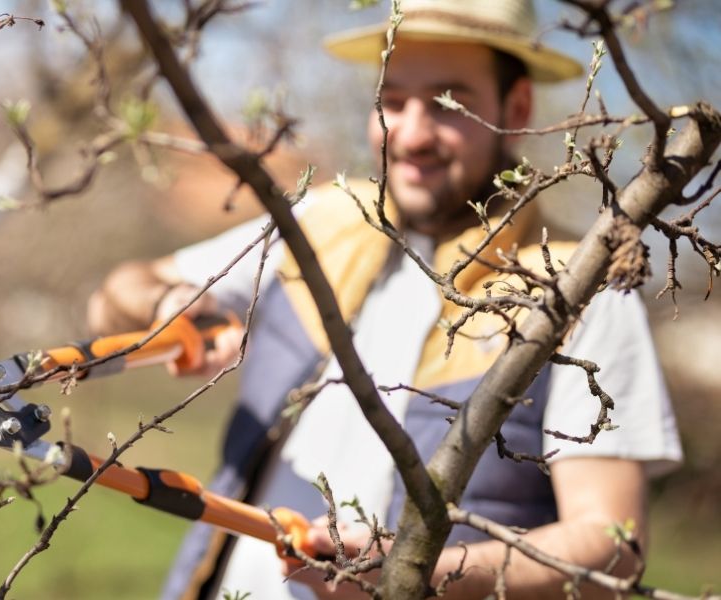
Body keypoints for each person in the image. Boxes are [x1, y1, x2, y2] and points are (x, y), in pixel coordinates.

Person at [87, 0, 682, 598]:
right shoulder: (320, 220)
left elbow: (614, 550)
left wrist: (418, 569)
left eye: (451, 102)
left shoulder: (579, 295)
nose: (413, 133)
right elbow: (116, 295)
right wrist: (169, 303)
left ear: (518, 108)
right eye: (393, 99)